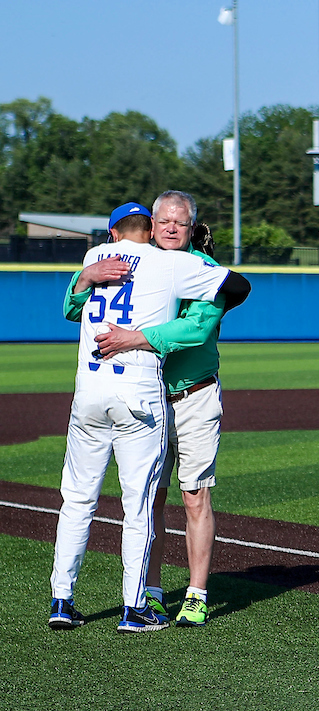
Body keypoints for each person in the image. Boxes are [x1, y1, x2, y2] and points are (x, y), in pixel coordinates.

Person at [48, 203, 249, 632]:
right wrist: (85, 280)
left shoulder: (175, 264)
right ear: (151, 226)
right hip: (146, 397)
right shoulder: (157, 264)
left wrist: (137, 336)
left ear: (192, 227)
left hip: (191, 395)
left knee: (191, 496)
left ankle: (193, 595)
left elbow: (197, 328)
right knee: (145, 501)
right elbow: (239, 286)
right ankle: (144, 600)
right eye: (164, 221)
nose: (172, 228)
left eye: (181, 221)